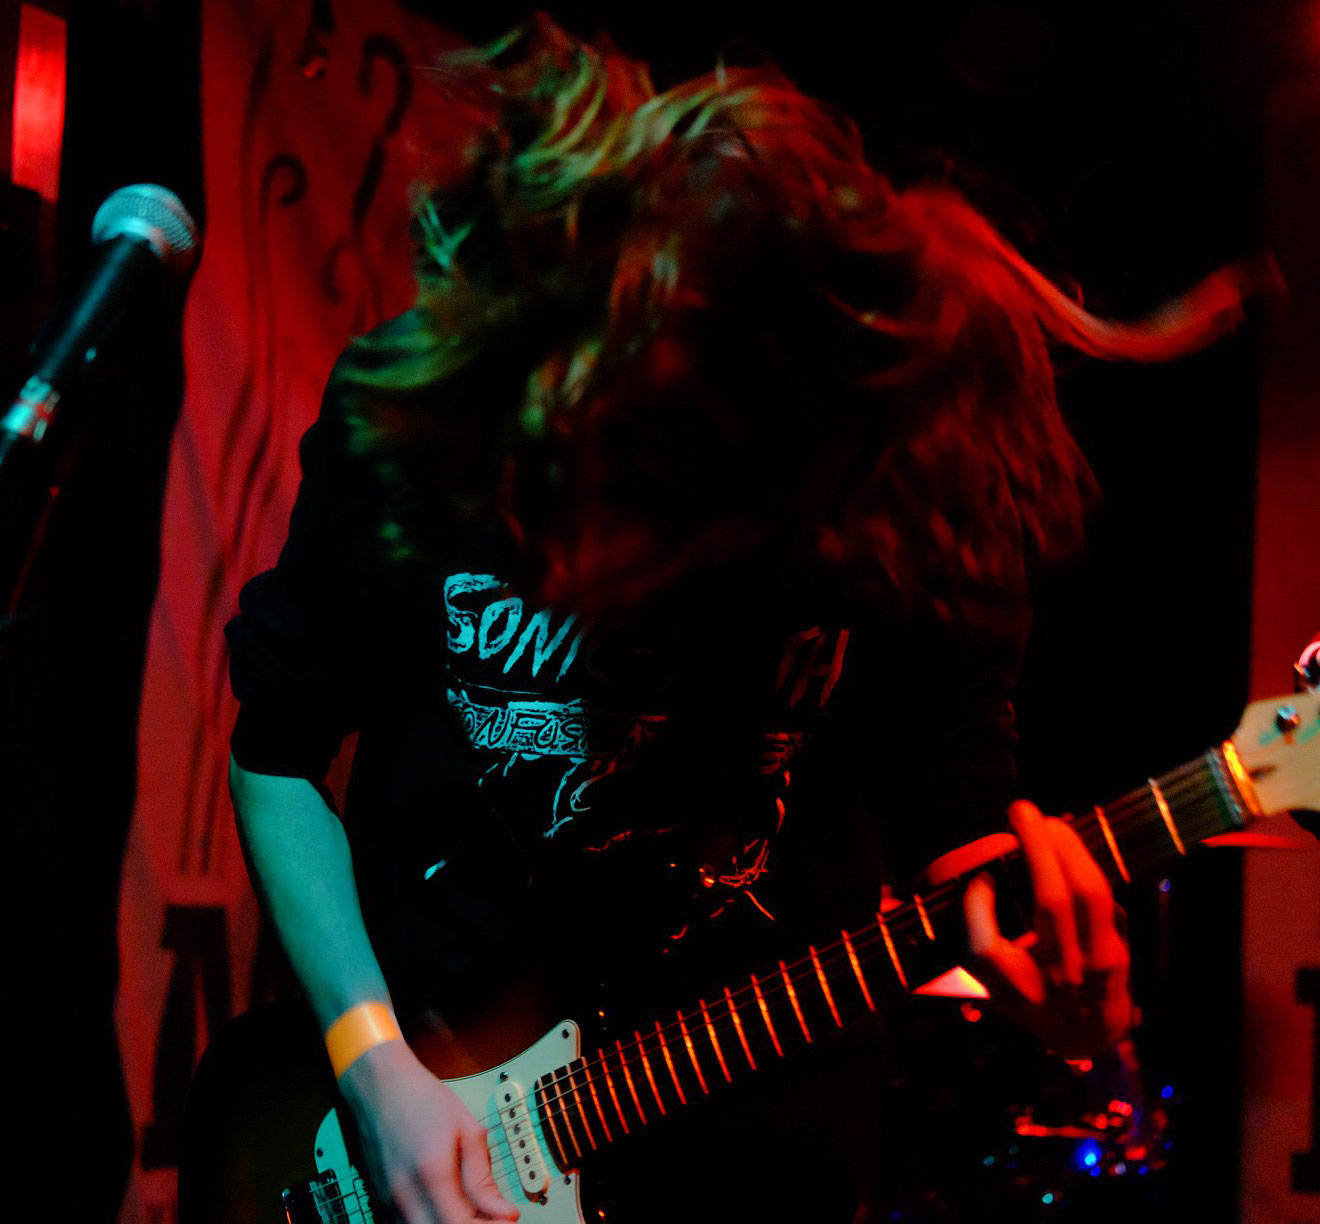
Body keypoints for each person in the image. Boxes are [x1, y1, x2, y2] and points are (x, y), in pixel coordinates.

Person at [224, 15, 1267, 1223]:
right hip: (429, 1122)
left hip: (761, 1155)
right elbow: (277, 749)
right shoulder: (432, 408)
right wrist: (374, 1069)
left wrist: (1066, 992)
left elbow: (954, 815)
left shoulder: (914, 473)